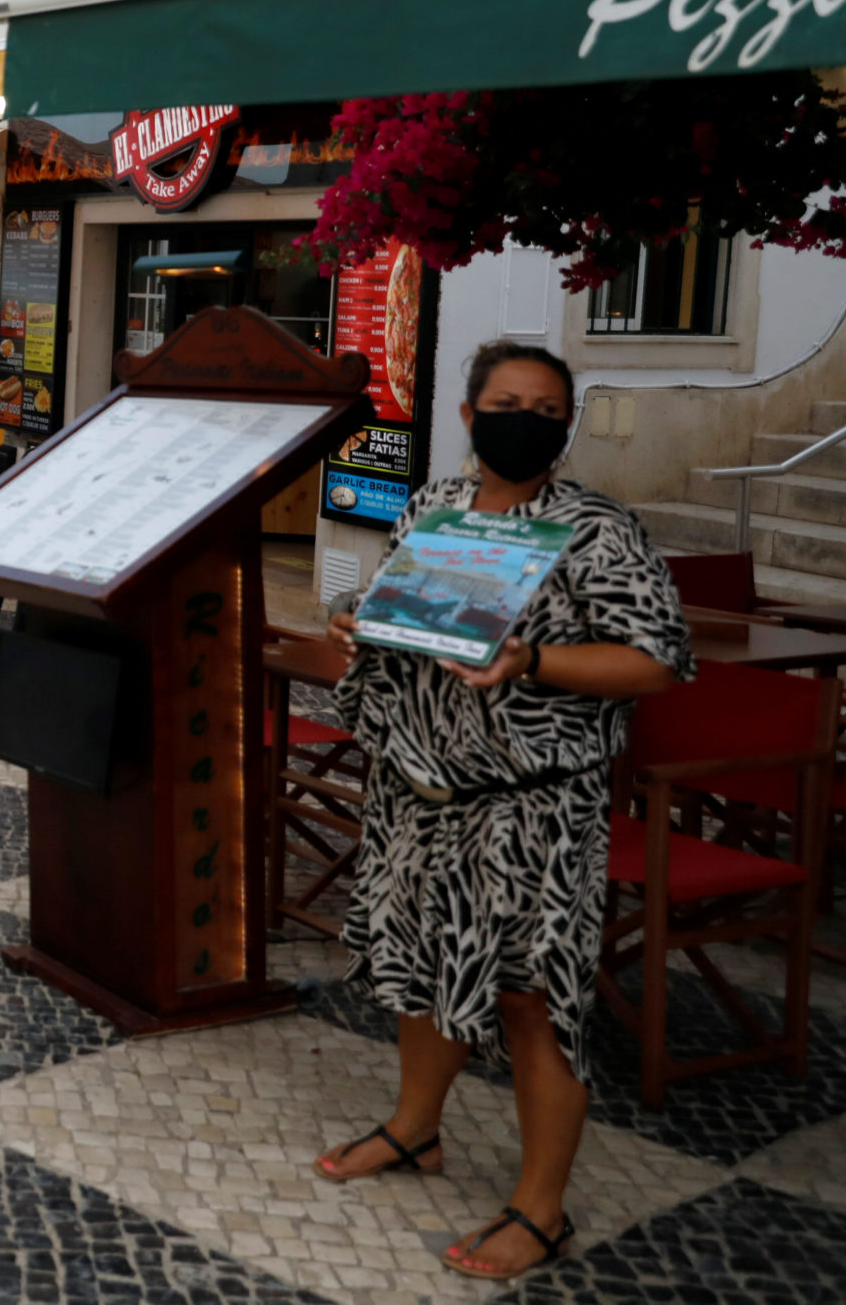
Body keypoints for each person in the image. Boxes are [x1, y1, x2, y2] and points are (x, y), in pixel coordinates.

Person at [317, 340, 691, 1283]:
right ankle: (414, 1132)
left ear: (566, 422)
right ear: (470, 412)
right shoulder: (433, 504)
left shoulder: (599, 529)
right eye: (507, 399)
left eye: (547, 404)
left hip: (532, 812)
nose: (527, 415)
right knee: (419, 966)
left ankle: (541, 1208)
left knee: (533, 999)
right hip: (419, 791)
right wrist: (360, 618)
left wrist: (534, 661)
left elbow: (656, 659)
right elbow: (402, 604)